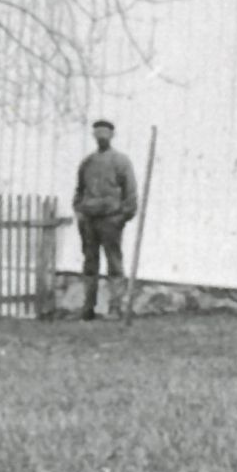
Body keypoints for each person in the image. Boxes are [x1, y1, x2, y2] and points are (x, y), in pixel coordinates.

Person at [72, 118, 138, 321]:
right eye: (98, 132)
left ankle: (115, 307)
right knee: (90, 263)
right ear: (94, 136)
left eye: (105, 133)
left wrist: (122, 216)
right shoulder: (87, 162)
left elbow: (130, 193)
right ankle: (88, 308)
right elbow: (79, 190)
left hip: (110, 220)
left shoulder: (121, 161)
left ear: (112, 135)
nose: (101, 136)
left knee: (114, 263)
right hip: (89, 221)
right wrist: (81, 212)